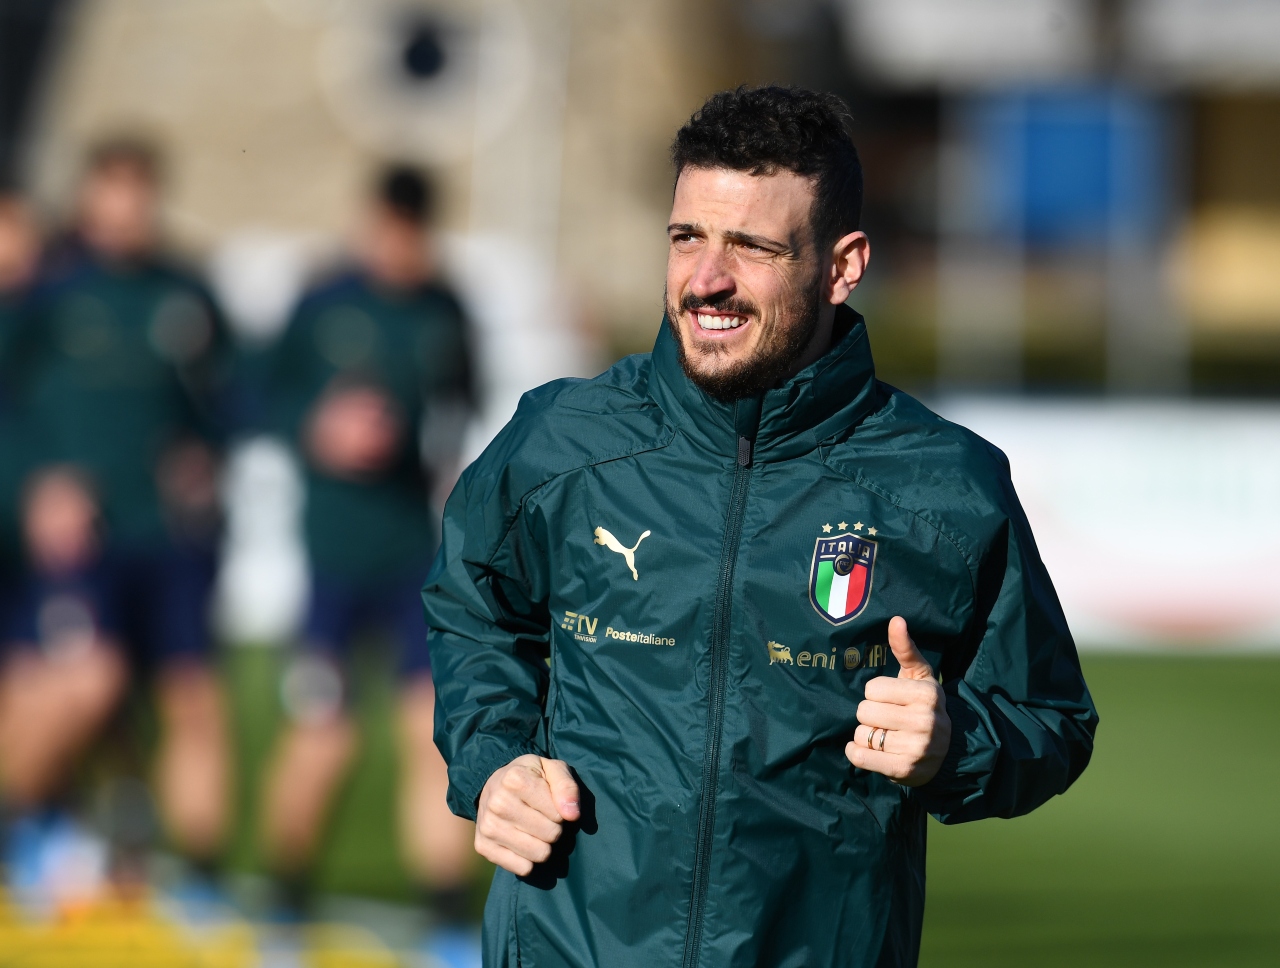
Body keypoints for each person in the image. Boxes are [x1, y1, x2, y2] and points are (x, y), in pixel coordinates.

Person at [424, 86, 1098, 967]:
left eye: (751, 246)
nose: (706, 279)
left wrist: (953, 744)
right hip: (568, 945)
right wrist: (496, 759)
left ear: (842, 266)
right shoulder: (562, 441)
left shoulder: (946, 487)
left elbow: (1051, 720)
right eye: (687, 237)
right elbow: (471, 609)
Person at [5, 140, 231, 862]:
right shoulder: (47, 289)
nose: (127, 209)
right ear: (88, 197)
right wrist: (38, 481)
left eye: (140, 193)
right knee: (86, 683)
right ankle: (25, 824)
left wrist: (206, 452)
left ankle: (199, 877)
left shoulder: (184, 292)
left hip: (168, 533)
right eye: (113, 191)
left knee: (194, 703)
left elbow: (229, 392)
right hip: (81, 537)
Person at [262, 165, 476, 915]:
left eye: (414, 234)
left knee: (431, 729)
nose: (400, 248)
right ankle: (284, 894)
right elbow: (254, 392)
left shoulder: (444, 309)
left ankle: (444, 908)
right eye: (389, 231)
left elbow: (464, 404)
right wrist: (318, 426)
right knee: (325, 734)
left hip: (412, 554)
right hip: (332, 558)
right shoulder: (322, 303)